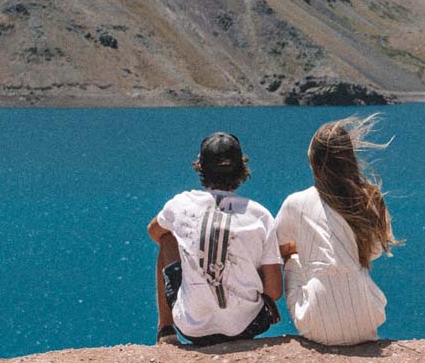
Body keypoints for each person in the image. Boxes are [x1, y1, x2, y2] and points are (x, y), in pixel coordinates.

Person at [274, 114, 399, 347]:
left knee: (293, 256)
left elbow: (274, 248)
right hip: (366, 320)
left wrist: (300, 250)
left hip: (317, 325)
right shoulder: (369, 198)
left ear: (313, 161)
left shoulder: (296, 202)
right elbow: (373, 253)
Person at [148, 132, 282, 346]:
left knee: (167, 238)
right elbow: (274, 292)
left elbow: (154, 231)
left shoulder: (181, 204)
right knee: (259, 255)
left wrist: (195, 249)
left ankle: (166, 330)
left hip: (193, 327)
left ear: (200, 167)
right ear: (242, 169)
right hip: (249, 326)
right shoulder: (260, 215)